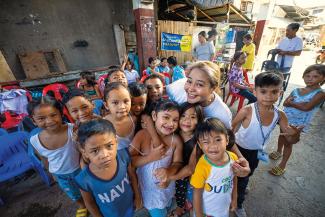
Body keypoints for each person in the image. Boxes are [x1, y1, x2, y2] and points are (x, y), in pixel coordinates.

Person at [232, 72, 301, 217]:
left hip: (257, 151)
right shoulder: (246, 111)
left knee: (249, 172)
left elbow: (290, 140)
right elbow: (230, 131)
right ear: (255, 91)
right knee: (236, 176)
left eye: (274, 92)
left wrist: (295, 135)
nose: (269, 96)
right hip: (239, 149)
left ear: (280, 92)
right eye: (263, 91)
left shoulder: (280, 115)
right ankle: (238, 203)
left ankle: (241, 191)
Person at [166, 61, 251, 178]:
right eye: (189, 81)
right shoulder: (178, 89)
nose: (190, 88)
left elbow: (227, 139)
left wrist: (241, 159)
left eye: (199, 85)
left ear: (213, 88)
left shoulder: (221, 113)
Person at [29, 96, 87, 217]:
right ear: (33, 120)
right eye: (41, 118)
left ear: (61, 114)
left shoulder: (73, 129)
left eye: (53, 115)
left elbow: (83, 150)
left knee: (88, 189)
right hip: (61, 175)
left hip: (80, 169)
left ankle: (91, 202)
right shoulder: (35, 141)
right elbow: (44, 159)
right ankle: (82, 205)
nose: (49, 121)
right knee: (73, 194)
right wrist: (52, 174)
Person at [75, 119, 141, 217]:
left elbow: (132, 176)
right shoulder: (83, 180)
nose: (104, 155)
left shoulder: (123, 156)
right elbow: (90, 203)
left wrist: (137, 197)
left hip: (130, 206)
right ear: (84, 151)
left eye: (109, 146)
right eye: (95, 151)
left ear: (116, 141)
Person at [129, 100, 183, 217]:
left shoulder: (176, 140)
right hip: (149, 192)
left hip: (167, 187)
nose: (170, 123)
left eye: (175, 120)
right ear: (154, 116)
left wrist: (169, 172)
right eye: (166, 117)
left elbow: (178, 162)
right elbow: (130, 162)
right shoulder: (142, 135)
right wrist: (151, 157)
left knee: (167, 206)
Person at [269, 64, 325, 176]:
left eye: (315, 76)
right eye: (307, 76)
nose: (310, 79)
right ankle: (279, 151)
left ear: (323, 78)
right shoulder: (297, 90)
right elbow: (285, 103)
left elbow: (307, 107)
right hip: (285, 118)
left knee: (289, 142)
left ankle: (282, 165)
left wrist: (292, 103)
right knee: (281, 135)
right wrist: (295, 104)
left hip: (297, 124)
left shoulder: (320, 93)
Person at [191, 118, 238, 217]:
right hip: (206, 212)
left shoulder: (233, 158)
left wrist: (234, 198)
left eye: (218, 139)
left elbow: (234, 178)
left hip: (223, 210)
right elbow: (197, 193)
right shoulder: (202, 166)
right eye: (206, 142)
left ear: (227, 140)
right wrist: (199, 215)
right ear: (200, 145)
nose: (213, 146)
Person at [168, 103, 204, 217]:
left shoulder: (197, 140)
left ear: (199, 120)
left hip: (189, 175)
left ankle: (183, 208)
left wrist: (170, 178)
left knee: (185, 192)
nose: (187, 120)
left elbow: (191, 169)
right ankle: (180, 206)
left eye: (193, 117)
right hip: (174, 169)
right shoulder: (173, 133)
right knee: (176, 192)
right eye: (183, 116)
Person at [103, 82, 136, 160]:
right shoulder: (104, 124)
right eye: (115, 102)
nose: (122, 106)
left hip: (135, 157)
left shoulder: (134, 119)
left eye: (126, 101)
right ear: (106, 105)